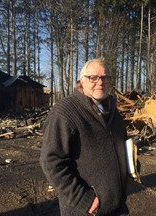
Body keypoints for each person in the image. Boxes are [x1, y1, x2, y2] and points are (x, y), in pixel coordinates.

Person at [40, 58, 129, 216]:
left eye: (105, 77)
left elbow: (121, 145)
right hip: (86, 209)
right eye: (93, 77)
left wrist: (131, 163)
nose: (100, 82)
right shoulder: (65, 112)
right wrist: (82, 198)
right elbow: (51, 161)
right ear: (82, 81)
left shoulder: (114, 112)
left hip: (115, 205)